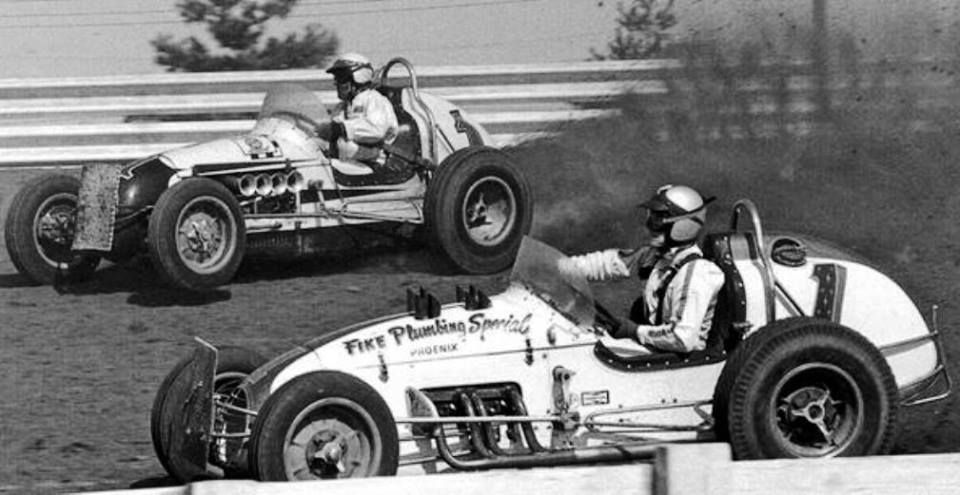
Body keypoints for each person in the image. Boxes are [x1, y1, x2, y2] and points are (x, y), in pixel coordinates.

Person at [559, 184, 725, 354]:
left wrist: (634, 331)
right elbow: (608, 262)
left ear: (684, 226)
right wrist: (559, 267)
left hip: (680, 365)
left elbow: (681, 337)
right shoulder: (655, 256)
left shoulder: (698, 273)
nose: (650, 226)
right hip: (654, 349)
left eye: (658, 219)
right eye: (651, 217)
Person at [320, 53, 399, 171]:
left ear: (358, 77)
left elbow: (377, 129)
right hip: (345, 166)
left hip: (373, 165)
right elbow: (331, 131)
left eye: (341, 78)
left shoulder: (373, 99)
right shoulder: (341, 107)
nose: (336, 83)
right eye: (336, 78)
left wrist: (342, 128)